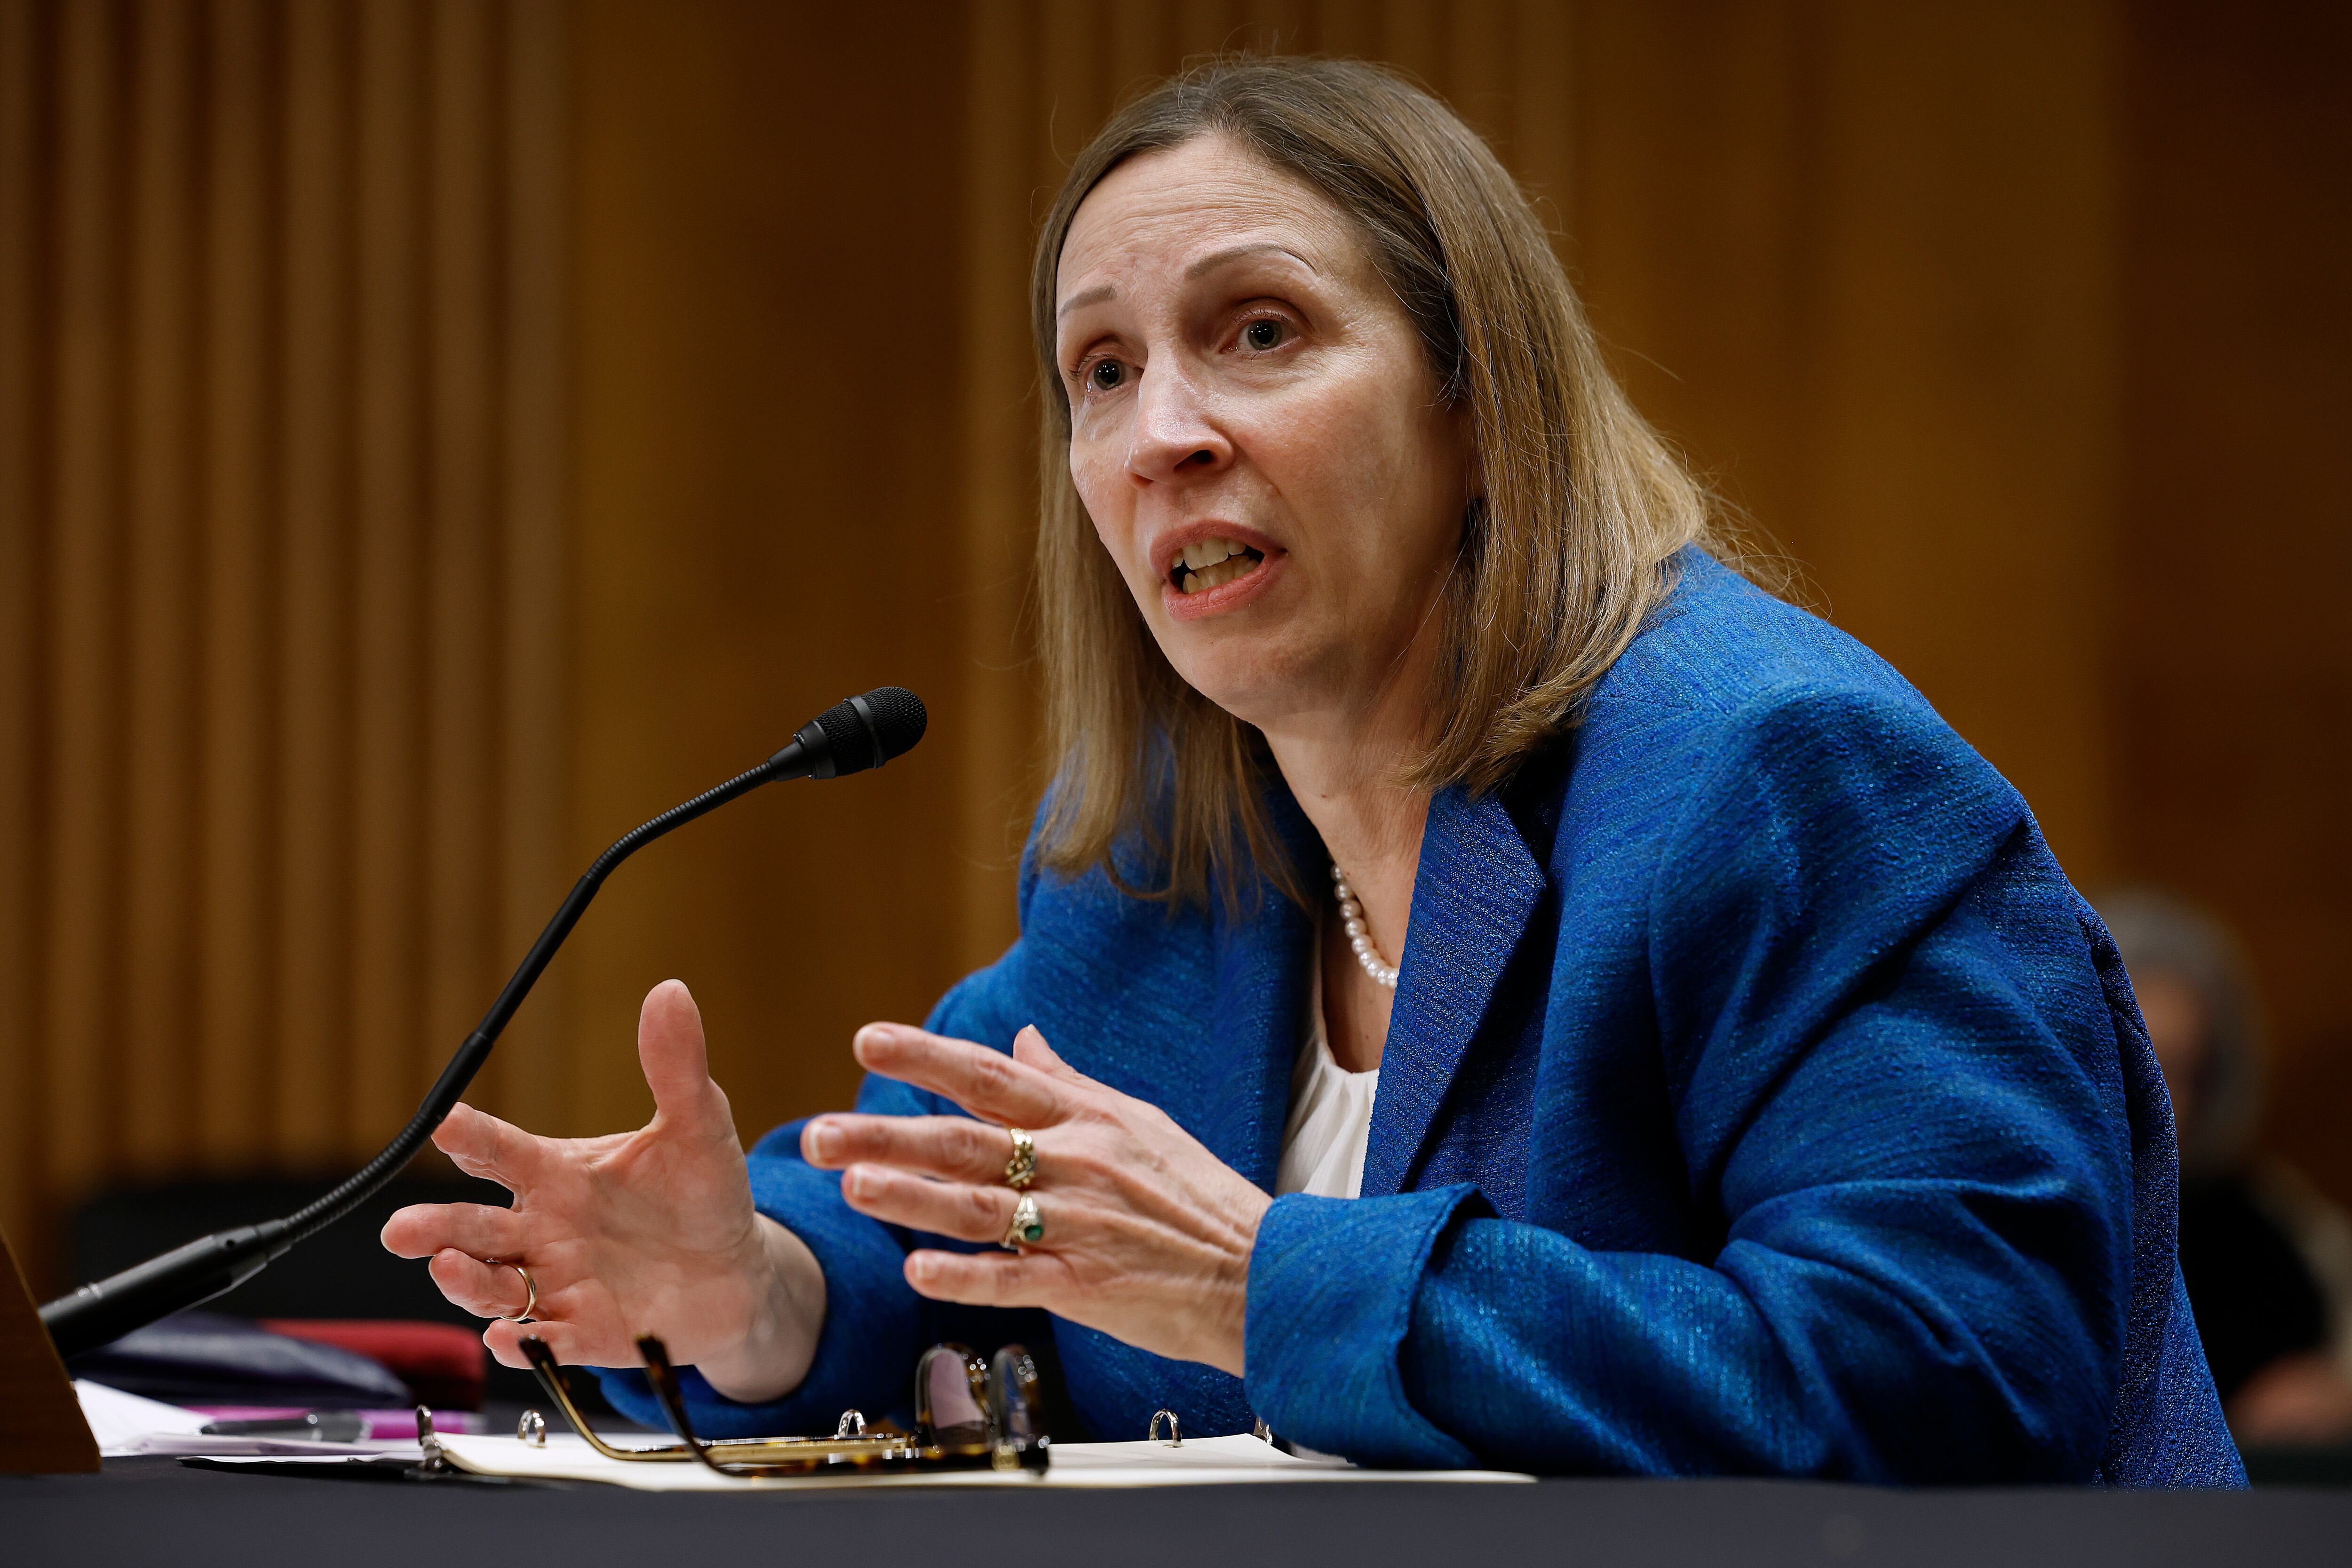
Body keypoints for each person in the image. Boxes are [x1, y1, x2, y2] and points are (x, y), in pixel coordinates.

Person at [382, 57, 2241, 1483]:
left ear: (1470, 396)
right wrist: (758, 1291)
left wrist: (1264, 1283)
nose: (1162, 432)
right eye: (1098, 372)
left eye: (1253, 333)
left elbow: (1959, 1373)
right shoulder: (1153, 878)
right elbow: (979, 1228)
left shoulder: (1771, 775)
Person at [2098, 889, 2352, 1446]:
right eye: (2133, 1062)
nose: (2160, 1102)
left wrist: (2335, 1390)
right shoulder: (2027, 1210)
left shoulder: (2271, 1224)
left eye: (2183, 1071)